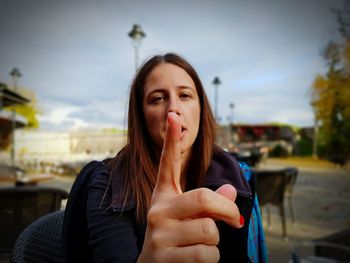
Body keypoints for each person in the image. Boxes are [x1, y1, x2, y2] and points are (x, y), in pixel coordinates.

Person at [63, 53, 267, 262]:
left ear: (201, 108)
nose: (173, 109)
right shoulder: (109, 185)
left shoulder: (238, 175)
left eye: (185, 96)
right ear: (141, 117)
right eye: (158, 99)